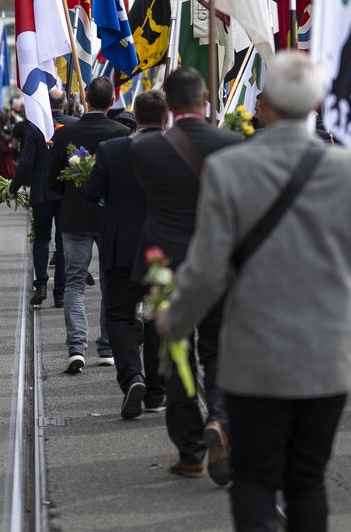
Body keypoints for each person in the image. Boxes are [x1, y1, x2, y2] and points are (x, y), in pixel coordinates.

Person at [158, 51, 351, 531]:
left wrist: (174, 322)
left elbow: (206, 269)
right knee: (307, 478)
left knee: (255, 477)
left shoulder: (229, 168)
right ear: (316, 104)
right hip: (328, 350)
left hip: (255, 352)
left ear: (264, 105)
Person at [131, 67, 240, 483]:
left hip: (167, 266)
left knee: (174, 355)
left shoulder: (144, 150)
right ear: (205, 98)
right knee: (218, 350)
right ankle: (220, 419)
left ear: (169, 104)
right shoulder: (231, 145)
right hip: (217, 263)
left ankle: (191, 450)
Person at [82, 88, 167, 419]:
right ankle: (157, 393)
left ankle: (132, 377)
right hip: (163, 249)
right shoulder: (178, 149)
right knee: (158, 318)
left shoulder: (112, 149)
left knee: (119, 315)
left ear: (136, 116)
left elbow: (91, 192)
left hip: (121, 246)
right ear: (165, 118)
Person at [46, 78, 129, 374]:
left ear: (86, 100)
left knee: (74, 283)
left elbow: (51, 179)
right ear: (111, 101)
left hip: (75, 215)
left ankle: (76, 348)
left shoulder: (65, 133)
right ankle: (107, 348)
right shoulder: (123, 133)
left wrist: (72, 190)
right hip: (111, 219)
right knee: (110, 282)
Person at [9, 88, 73, 308]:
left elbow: (26, 162)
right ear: (65, 104)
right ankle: (60, 292)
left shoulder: (36, 126)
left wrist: (13, 187)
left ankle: (41, 285)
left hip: (43, 192)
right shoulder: (74, 125)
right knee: (63, 242)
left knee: (42, 240)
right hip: (66, 194)